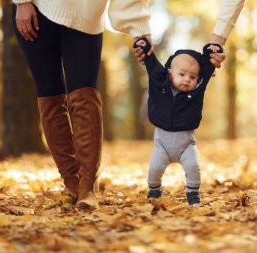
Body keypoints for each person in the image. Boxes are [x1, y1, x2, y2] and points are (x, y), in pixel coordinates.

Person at [12, 0, 152, 210]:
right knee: (48, 94)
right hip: (36, 8)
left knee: (85, 93)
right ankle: (72, 184)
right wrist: (21, 2)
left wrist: (139, 28)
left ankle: (87, 188)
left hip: (87, 15)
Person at [134, 37, 222, 205]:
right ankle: (154, 190)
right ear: (169, 73)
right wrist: (144, 47)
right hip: (162, 145)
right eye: (181, 74)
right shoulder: (160, 84)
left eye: (192, 77)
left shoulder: (197, 89)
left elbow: (207, 66)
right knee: (154, 169)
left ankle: (193, 193)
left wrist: (211, 51)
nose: (187, 79)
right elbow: (151, 64)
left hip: (186, 144)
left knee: (193, 167)